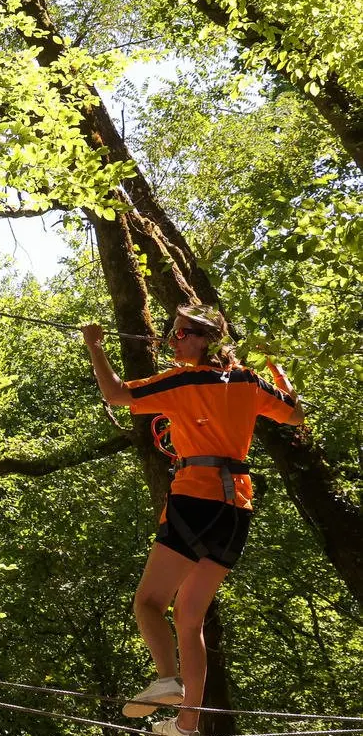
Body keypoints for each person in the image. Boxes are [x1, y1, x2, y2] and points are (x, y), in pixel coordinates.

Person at [82, 306, 303, 736]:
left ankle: (167, 678)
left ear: (203, 339)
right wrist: (273, 363)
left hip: (196, 497)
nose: (173, 340)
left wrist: (95, 347)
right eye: (172, 333)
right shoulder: (247, 381)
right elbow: (295, 412)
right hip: (236, 507)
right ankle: (186, 725)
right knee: (189, 616)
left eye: (181, 333)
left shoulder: (181, 381)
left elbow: (116, 394)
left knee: (148, 603)